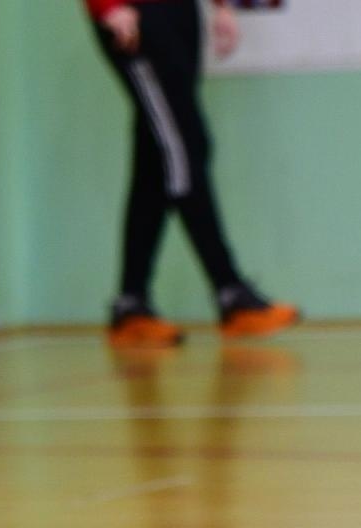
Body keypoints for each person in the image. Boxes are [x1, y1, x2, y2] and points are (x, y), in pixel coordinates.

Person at [87, 0, 299, 348]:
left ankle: (131, 305)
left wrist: (220, 6)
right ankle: (230, 291)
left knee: (157, 159)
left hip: (178, 13)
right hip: (135, 15)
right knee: (184, 149)